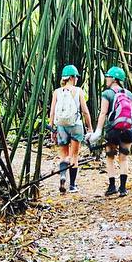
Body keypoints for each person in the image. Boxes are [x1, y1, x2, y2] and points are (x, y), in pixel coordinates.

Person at [89, 65, 132, 197]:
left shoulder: (107, 93)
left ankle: (112, 187)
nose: (106, 79)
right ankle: (123, 188)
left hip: (112, 131)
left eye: (108, 77)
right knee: (123, 158)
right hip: (127, 130)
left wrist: (98, 131)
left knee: (110, 157)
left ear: (114, 79)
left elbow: (103, 113)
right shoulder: (128, 94)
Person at [49, 64, 92, 194]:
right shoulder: (78, 91)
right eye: (76, 77)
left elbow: (52, 112)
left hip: (61, 126)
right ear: (72, 77)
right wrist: (89, 128)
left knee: (64, 155)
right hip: (76, 126)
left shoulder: (57, 92)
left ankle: (63, 176)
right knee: (74, 156)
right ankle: (72, 185)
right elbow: (85, 111)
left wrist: (52, 129)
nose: (77, 79)